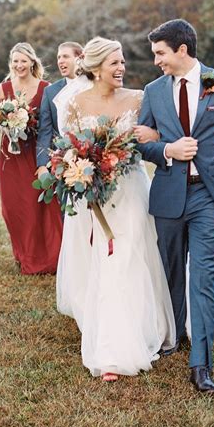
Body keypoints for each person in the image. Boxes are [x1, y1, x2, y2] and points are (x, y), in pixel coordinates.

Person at [138, 19, 214, 394]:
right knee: (172, 271)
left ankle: (201, 363)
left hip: (210, 195)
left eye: (160, 53)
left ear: (182, 50)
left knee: (203, 277)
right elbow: (141, 143)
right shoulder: (154, 91)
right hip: (169, 195)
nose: (156, 60)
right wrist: (167, 150)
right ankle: (175, 335)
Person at [55, 36, 175, 382]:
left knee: (133, 255)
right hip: (95, 197)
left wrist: (153, 136)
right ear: (95, 68)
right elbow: (70, 148)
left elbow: (157, 134)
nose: (121, 68)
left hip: (132, 189)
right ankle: (111, 348)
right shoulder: (76, 103)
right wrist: (76, 172)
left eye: (122, 61)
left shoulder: (139, 98)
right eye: (114, 63)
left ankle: (146, 327)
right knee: (106, 263)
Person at [0, 42, 63, 275]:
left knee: (38, 205)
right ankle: (22, 253)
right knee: (12, 207)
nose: (19, 65)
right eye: (15, 61)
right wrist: (7, 126)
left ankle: (46, 256)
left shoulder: (46, 88)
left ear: (33, 62)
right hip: (10, 156)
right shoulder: (3, 88)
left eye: (23, 60)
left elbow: (51, 124)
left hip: (36, 153)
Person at [36, 41, 83, 175]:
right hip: (62, 163)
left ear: (79, 58)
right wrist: (42, 165)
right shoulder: (50, 91)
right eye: (58, 57)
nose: (60, 61)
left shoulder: (94, 85)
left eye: (65, 56)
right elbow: (45, 131)